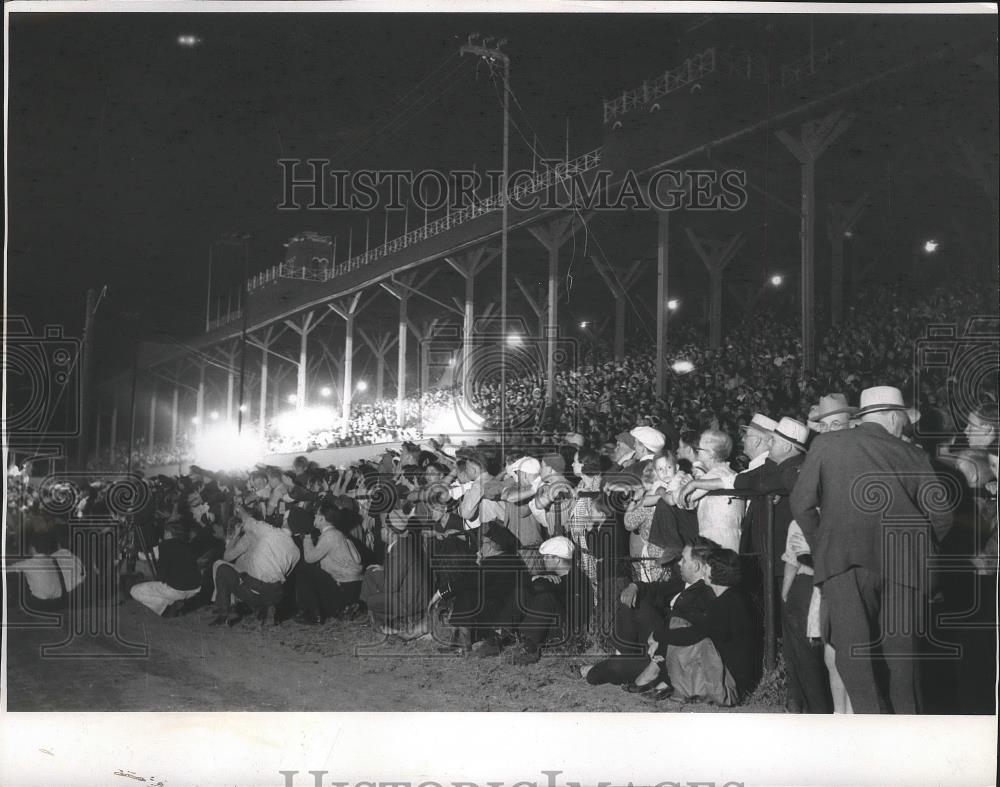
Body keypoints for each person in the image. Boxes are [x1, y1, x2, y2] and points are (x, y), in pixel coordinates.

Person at [791, 386, 953, 714]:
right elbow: (943, 515)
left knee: (855, 654)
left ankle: (872, 729)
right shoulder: (915, 455)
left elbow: (800, 503)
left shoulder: (826, 444)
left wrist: (822, 543)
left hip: (845, 564)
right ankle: (908, 736)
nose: (904, 429)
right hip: (905, 566)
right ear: (894, 417)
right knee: (903, 659)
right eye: (903, 422)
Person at [210, 504, 300, 626]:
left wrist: (238, 517)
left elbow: (227, 556)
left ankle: (225, 612)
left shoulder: (266, 532)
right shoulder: (296, 551)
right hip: (275, 593)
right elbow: (286, 576)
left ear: (285, 520)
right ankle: (266, 607)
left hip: (251, 587)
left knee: (221, 568)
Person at [360, 503, 431, 636]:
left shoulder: (398, 551)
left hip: (410, 602)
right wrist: (383, 569)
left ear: (389, 531)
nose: (380, 530)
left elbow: (390, 587)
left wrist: (382, 576)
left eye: (382, 528)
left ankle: (385, 624)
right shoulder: (404, 542)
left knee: (372, 600)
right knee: (371, 572)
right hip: (417, 595)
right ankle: (374, 616)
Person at [295, 502, 364, 624]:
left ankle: (315, 615)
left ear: (322, 519)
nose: (314, 517)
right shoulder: (338, 533)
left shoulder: (330, 535)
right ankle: (339, 608)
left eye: (316, 515)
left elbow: (310, 558)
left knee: (304, 570)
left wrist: (306, 536)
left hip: (343, 586)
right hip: (353, 585)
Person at [129, 522, 202, 617]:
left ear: (169, 533)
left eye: (165, 532)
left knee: (135, 590)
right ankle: (166, 607)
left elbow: (161, 575)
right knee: (162, 590)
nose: (163, 534)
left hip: (177, 589)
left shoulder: (165, 545)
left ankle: (159, 610)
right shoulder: (186, 545)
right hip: (195, 588)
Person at [8, 528, 86, 613]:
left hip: (41, 604)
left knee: (16, 577)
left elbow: (7, 569)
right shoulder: (54, 560)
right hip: (60, 600)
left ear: (32, 548)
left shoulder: (29, 563)